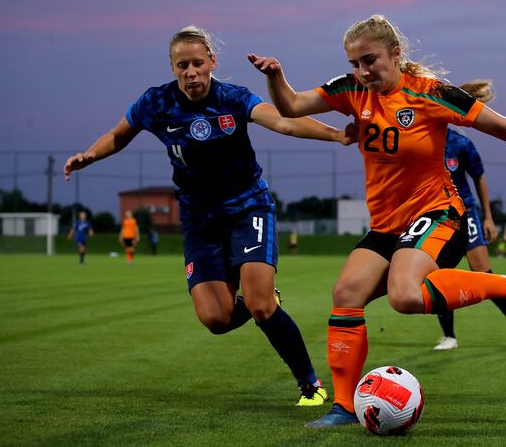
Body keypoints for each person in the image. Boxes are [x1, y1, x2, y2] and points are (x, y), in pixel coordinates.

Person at [250, 14, 506, 427]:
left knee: (405, 295)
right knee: (346, 293)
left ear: (396, 54)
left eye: (369, 60)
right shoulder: (351, 89)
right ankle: (343, 407)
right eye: (354, 63)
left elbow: (505, 128)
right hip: (386, 225)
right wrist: (276, 75)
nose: (361, 71)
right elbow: (291, 106)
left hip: (438, 212)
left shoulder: (431, 94)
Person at [64, 26, 355, 406]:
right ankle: (261, 302)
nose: (191, 72)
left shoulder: (232, 99)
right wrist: (90, 154)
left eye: (198, 63)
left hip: (247, 208)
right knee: (215, 319)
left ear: (212, 63)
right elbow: (120, 134)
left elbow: (282, 121)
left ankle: (310, 385)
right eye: (182, 65)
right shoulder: (156, 103)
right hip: (199, 221)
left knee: (261, 305)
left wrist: (334, 135)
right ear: (173, 68)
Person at [432, 79, 506, 351]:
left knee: (484, 273)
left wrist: (488, 217)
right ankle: (449, 337)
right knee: (440, 276)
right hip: (438, 217)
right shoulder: (424, 140)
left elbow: (479, 179)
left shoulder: (461, 144)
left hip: (466, 213)